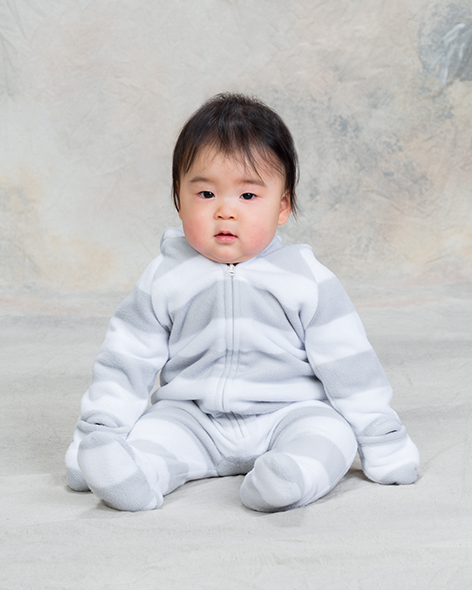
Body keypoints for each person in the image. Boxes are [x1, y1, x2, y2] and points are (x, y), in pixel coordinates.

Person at [65, 93, 420, 513]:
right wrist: (96, 434)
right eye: (206, 194)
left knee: (331, 435)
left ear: (282, 206)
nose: (225, 211)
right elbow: (126, 360)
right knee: (153, 436)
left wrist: (382, 440)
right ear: (179, 200)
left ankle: (285, 480)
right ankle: (133, 476)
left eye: (248, 196)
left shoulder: (306, 279)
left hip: (288, 415)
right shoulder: (165, 277)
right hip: (193, 419)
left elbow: (350, 366)